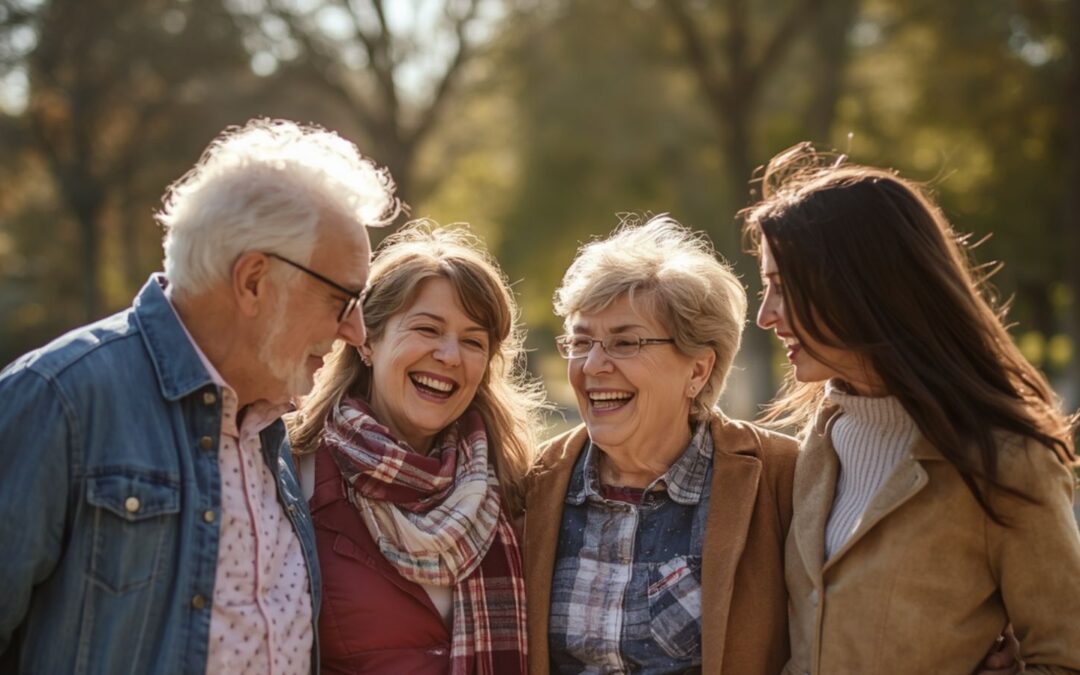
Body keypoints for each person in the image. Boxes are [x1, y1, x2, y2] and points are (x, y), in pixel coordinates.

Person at [0, 118, 401, 673]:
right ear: (254, 280)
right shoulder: (60, 400)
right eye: (343, 299)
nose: (354, 332)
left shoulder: (272, 429)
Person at [745, 144, 1080, 674]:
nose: (765, 316)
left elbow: (1065, 659)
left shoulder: (1008, 463)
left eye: (782, 289)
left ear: (859, 287)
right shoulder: (814, 445)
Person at [524, 215, 800, 674]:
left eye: (624, 342)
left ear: (698, 370)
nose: (593, 365)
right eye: (581, 341)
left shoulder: (780, 478)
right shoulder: (533, 485)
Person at [288, 223, 545, 674]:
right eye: (427, 329)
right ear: (367, 340)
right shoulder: (292, 471)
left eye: (472, 341)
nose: (449, 356)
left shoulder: (516, 483)